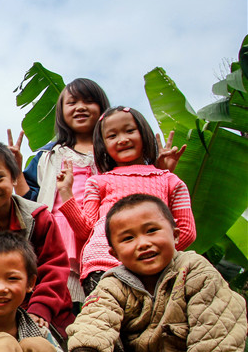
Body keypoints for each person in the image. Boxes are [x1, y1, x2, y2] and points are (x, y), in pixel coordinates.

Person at [64, 194, 246, 352]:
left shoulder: (194, 271)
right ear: (115, 254)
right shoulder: (114, 282)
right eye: (128, 238)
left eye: (151, 231)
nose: (143, 243)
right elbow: (95, 322)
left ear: (176, 235)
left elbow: (214, 330)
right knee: (91, 340)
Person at [7, 78, 186, 303]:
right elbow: (31, 199)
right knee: (60, 298)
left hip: (106, 238)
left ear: (102, 108)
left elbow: (141, 190)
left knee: (114, 296)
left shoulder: (117, 152)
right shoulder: (49, 156)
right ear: (61, 112)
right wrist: (16, 173)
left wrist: (161, 169)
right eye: (72, 102)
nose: (80, 107)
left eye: (89, 101)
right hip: (59, 235)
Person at [57, 107, 196, 296]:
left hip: (155, 273)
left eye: (129, 131)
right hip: (103, 267)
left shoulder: (170, 181)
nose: (122, 139)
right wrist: (66, 193)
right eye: (112, 136)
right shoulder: (98, 182)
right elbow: (85, 229)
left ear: (144, 133)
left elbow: (186, 231)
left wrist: (149, 256)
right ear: (103, 145)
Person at [0, 139, 75, 339]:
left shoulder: (38, 218)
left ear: (15, 177)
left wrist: (41, 307)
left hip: (44, 311)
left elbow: (54, 267)